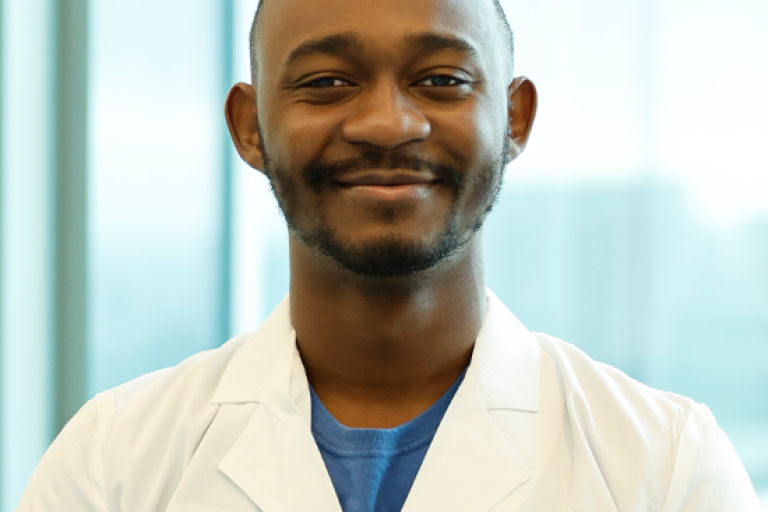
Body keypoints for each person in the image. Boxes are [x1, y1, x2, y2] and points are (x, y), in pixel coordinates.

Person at [17, 0, 760, 509]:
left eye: (441, 81)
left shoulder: (666, 468)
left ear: (513, 118)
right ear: (249, 127)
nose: (387, 124)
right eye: (327, 83)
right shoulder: (112, 465)